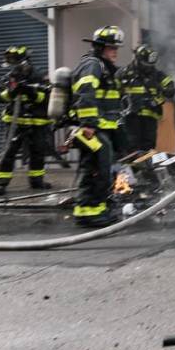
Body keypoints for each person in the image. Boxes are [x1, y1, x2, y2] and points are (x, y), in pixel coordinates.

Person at [69, 26, 126, 227]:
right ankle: (89, 212)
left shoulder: (104, 67)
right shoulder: (92, 65)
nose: (115, 52)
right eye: (111, 48)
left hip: (101, 127)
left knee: (100, 170)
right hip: (91, 129)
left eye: (116, 48)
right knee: (96, 170)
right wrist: (89, 124)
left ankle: (94, 209)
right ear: (100, 48)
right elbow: (85, 93)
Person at [0, 46, 52, 196]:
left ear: (26, 61)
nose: (17, 67)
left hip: (36, 121)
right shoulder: (9, 77)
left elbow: (47, 97)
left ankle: (37, 181)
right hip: (15, 122)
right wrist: (11, 92)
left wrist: (31, 92)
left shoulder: (40, 75)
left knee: (38, 153)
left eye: (18, 63)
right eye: (13, 64)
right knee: (8, 153)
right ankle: (1, 184)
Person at [118, 44, 175, 153]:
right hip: (131, 118)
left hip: (150, 118)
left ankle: (145, 169)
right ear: (138, 59)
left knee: (149, 148)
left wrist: (162, 91)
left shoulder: (158, 75)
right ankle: (131, 168)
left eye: (150, 65)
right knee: (131, 147)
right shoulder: (124, 73)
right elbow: (113, 91)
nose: (148, 68)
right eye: (145, 65)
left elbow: (170, 89)